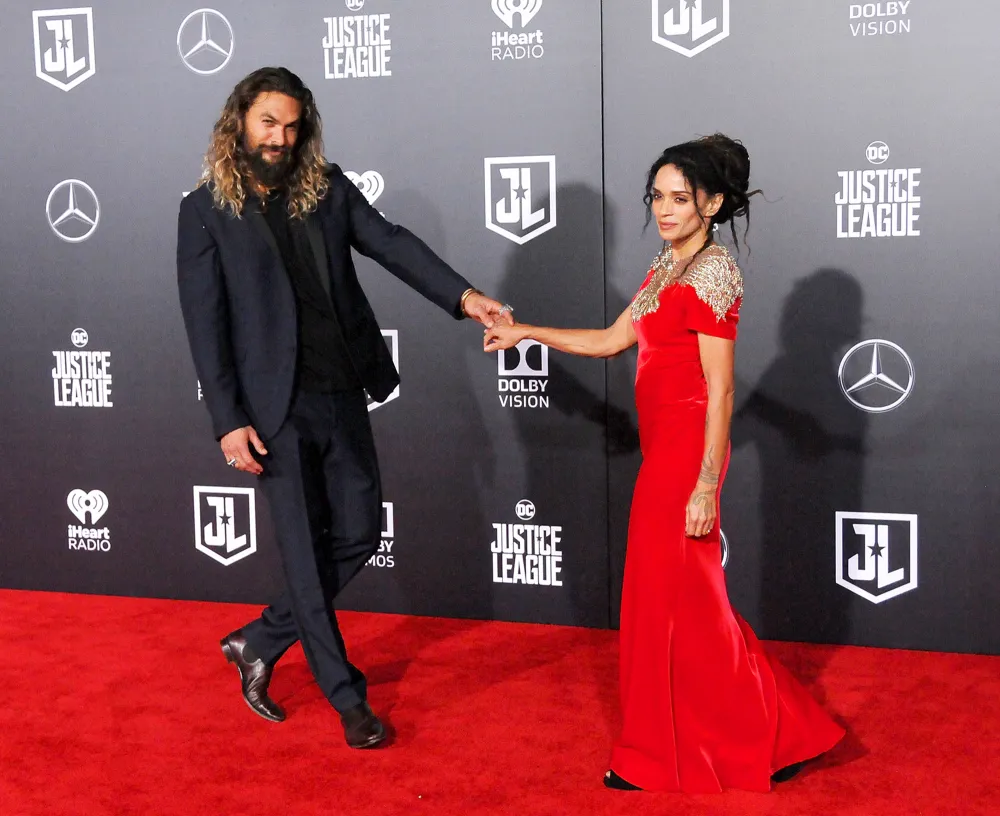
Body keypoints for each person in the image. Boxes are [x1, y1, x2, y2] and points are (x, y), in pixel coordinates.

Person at [484, 134, 845, 792]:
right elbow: (611, 341)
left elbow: (722, 388)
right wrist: (524, 331)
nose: (667, 208)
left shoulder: (714, 271)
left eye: (681, 197)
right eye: (658, 196)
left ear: (712, 203)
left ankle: (721, 740)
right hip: (663, 456)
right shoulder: (664, 268)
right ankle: (750, 732)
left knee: (687, 608)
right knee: (668, 607)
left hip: (687, 459)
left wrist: (706, 484)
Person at [177, 67, 512, 748]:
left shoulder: (325, 188)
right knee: (304, 554)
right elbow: (204, 326)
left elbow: (391, 243)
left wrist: (465, 297)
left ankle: (260, 640)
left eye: (293, 124)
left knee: (358, 532)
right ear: (239, 120)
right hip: (273, 410)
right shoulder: (206, 209)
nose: (282, 136)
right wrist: (227, 419)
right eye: (269, 122)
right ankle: (347, 699)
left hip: (341, 391)